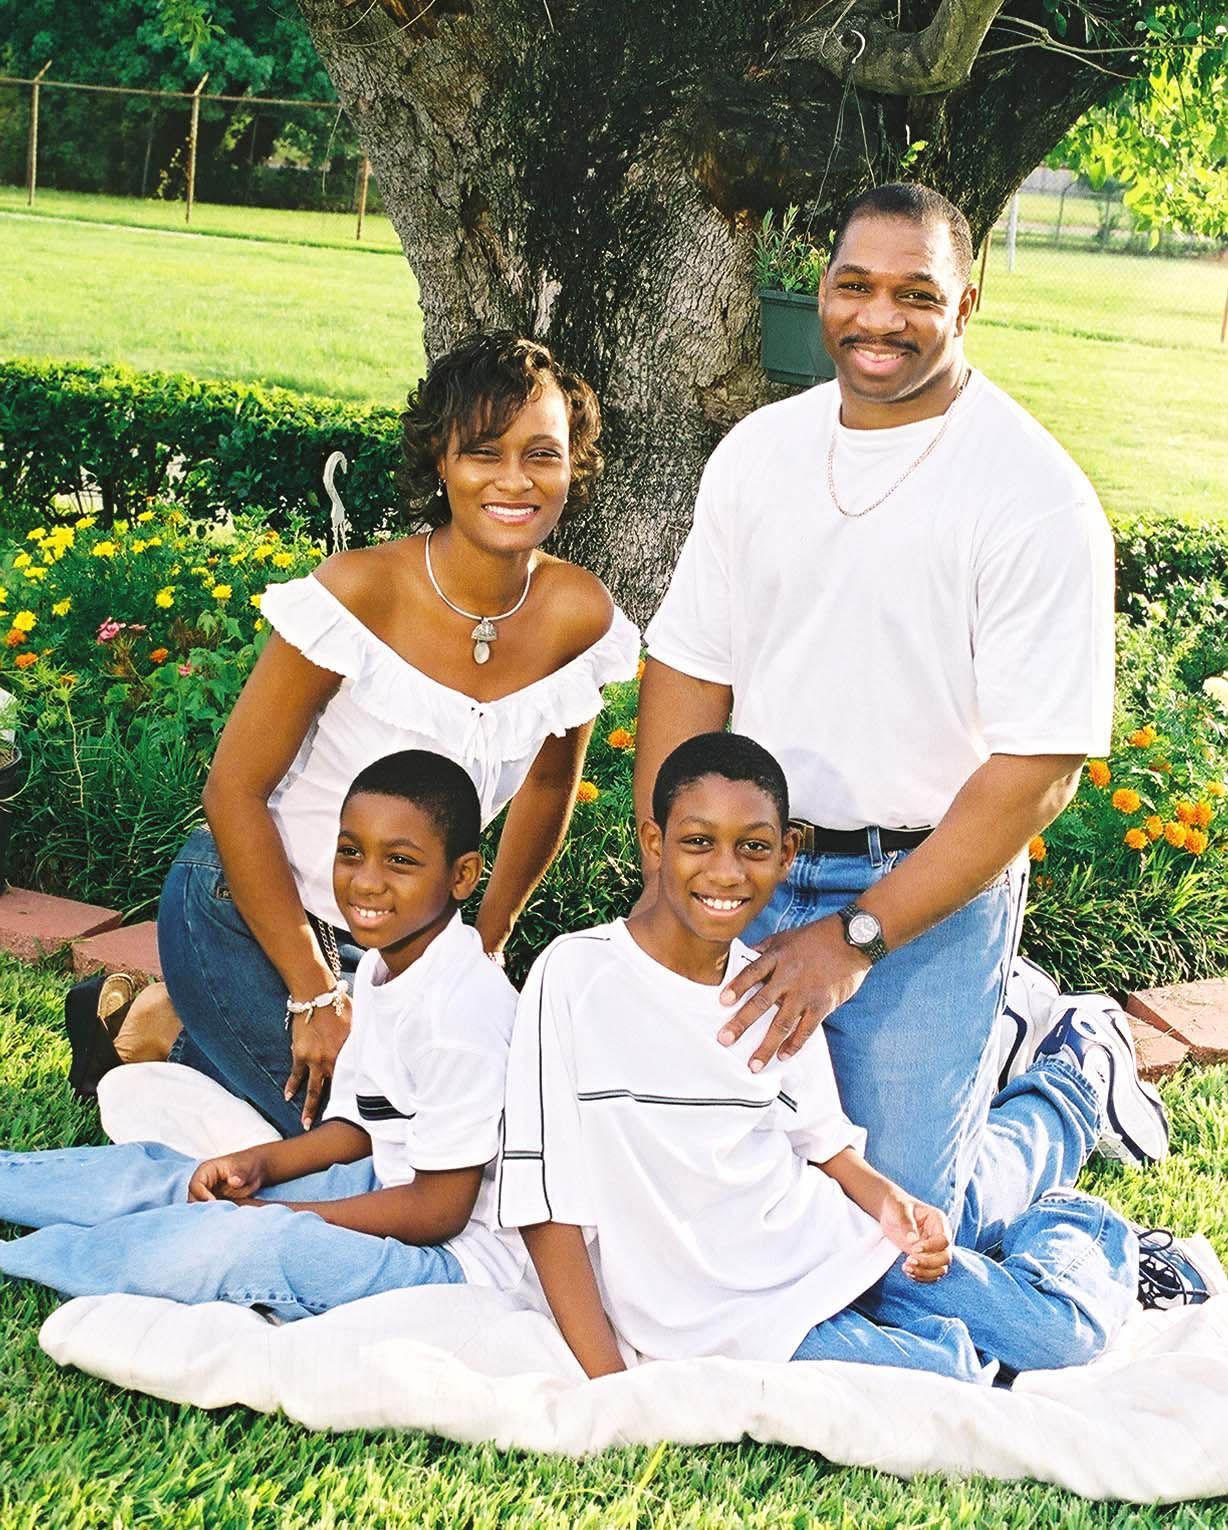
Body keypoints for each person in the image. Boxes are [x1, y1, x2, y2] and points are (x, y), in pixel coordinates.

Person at [633, 182, 1165, 1247]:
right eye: (855, 286)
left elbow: (1037, 770)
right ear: (820, 291)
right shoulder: (758, 453)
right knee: (690, 1195)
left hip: (917, 899)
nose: (878, 318)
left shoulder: (1032, 496)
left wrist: (857, 937)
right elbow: (690, 669)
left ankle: (1068, 1081)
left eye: (915, 293)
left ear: (966, 304)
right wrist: (670, 869)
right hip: (750, 866)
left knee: (904, 1233)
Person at [69, 332, 639, 1136]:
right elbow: (232, 790)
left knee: (495, 1139)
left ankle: (171, 1020)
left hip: (404, 950)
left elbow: (549, 784)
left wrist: (487, 937)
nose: (515, 479)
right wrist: (311, 990)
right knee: (371, 1151)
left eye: (541, 454)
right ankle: (158, 1032)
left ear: (572, 466)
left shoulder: (580, 616)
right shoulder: (359, 592)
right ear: (441, 462)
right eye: (484, 451)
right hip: (252, 916)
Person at [497, 734, 1145, 1382]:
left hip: (827, 1254)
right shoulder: (574, 977)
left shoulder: (773, 987)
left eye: (752, 848)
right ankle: (1042, 1107)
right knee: (944, 1377)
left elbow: (826, 1149)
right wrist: (610, 1387)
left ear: (784, 859)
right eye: (699, 841)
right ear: (654, 844)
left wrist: (898, 1208)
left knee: (1053, 1334)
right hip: (719, 1319)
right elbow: (543, 1200)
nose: (725, 871)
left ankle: (1078, 1158)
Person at [1, 751, 525, 1320]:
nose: (366, 882)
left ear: (462, 875)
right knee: (185, 1179)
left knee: (241, 1243)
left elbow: (439, 1213)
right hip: (385, 1184)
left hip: (453, 1264)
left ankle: (32, 1256)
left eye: (400, 861)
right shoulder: (384, 970)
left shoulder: (462, 1016)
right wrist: (260, 1165)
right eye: (351, 852)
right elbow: (359, 1127)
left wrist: (289, 1215)